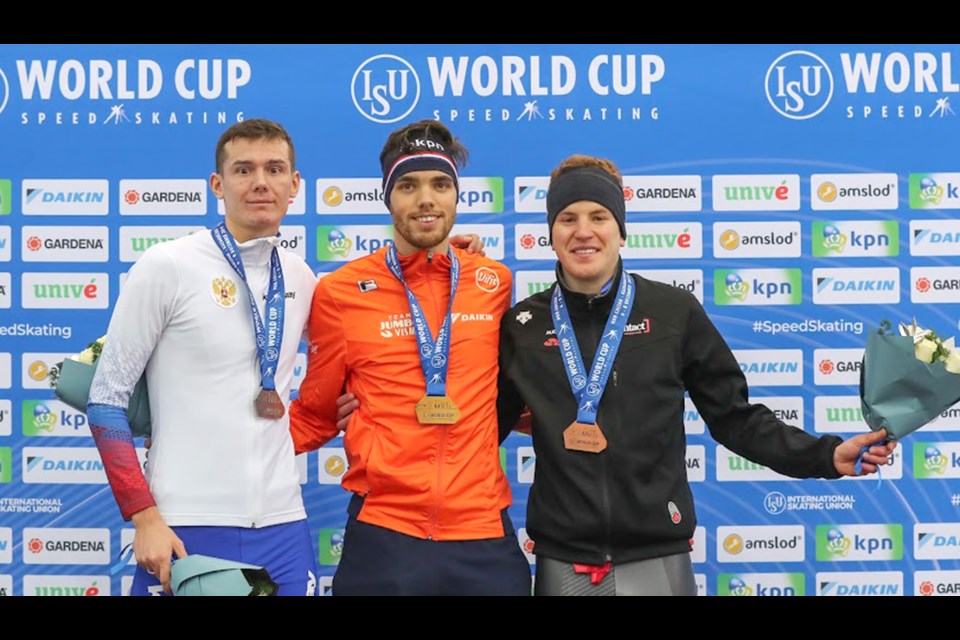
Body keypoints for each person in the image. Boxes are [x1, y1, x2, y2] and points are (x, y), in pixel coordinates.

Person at [495, 154, 898, 596]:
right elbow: (477, 430)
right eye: (567, 218)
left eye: (599, 216)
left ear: (620, 230)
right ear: (551, 234)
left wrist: (825, 454)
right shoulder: (523, 327)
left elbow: (735, 418)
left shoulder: (672, 312)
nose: (583, 231)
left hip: (657, 555)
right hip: (563, 560)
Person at [289, 119, 531, 596]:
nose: (426, 199)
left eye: (441, 185)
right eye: (408, 186)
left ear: (457, 198)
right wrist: (218, 451)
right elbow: (314, 414)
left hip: (483, 531)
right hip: (385, 534)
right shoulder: (340, 293)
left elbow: (522, 394)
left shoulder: (493, 283)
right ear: (387, 198)